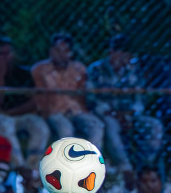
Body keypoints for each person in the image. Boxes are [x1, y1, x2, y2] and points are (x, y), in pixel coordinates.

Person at [88, 34, 161, 170]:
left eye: (126, 55)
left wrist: (129, 115)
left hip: (130, 115)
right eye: (118, 53)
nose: (122, 58)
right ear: (111, 52)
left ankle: (146, 167)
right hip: (106, 115)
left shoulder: (133, 71)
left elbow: (139, 100)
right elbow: (92, 100)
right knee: (111, 126)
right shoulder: (96, 70)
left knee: (154, 126)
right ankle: (125, 167)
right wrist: (115, 114)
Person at [31, 33, 109, 154]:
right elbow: (39, 96)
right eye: (57, 50)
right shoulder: (40, 69)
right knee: (65, 129)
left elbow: (83, 95)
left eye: (65, 51)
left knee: (96, 126)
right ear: (51, 51)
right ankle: (68, 163)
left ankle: (92, 162)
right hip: (54, 112)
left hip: (77, 110)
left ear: (70, 53)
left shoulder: (79, 69)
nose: (60, 55)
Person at [0, 37, 48, 163]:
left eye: (8, 53)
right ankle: (20, 167)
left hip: (23, 114)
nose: (5, 57)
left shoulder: (24, 74)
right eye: (1, 54)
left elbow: (34, 102)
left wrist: (12, 112)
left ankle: (32, 168)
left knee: (40, 127)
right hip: (1, 117)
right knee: (4, 126)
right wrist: (1, 76)